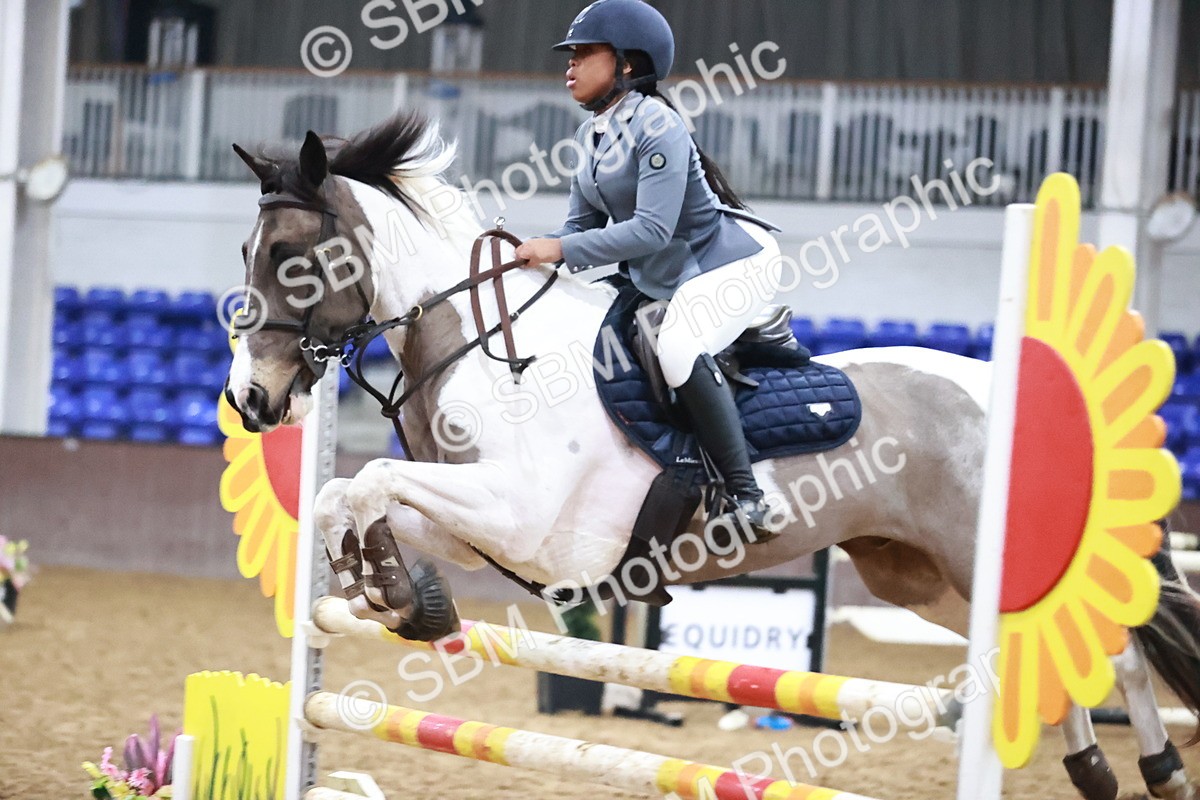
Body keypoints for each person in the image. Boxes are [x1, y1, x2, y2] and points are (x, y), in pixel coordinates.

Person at [515, 0, 785, 537]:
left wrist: (557, 250)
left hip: (730, 264)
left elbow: (651, 231)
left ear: (628, 64)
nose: (569, 66)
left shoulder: (659, 124)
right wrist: (527, 255)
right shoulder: (589, 138)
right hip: (664, 275)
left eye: (584, 54)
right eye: (569, 55)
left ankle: (748, 496)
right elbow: (578, 228)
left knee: (680, 347)